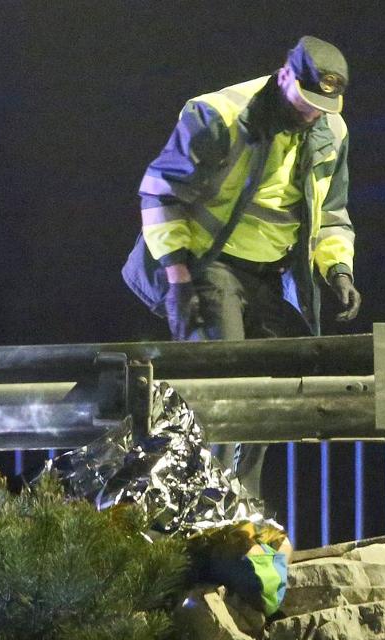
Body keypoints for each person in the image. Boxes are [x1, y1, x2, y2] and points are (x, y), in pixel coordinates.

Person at [136, 36, 362, 498]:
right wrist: (178, 281)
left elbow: (332, 213)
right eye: (307, 101)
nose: (312, 113)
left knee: (276, 387)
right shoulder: (217, 115)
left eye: (325, 105)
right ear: (284, 75)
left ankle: (243, 501)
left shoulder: (331, 130)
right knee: (226, 386)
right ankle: (205, 506)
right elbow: (159, 193)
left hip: (271, 275)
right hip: (210, 264)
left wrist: (339, 270)